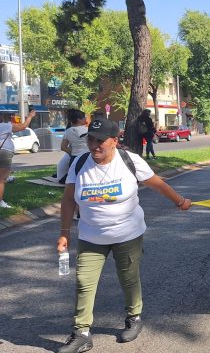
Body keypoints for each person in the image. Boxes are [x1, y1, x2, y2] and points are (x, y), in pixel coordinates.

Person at [56, 118, 192, 353]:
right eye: (90, 139)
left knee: (128, 278)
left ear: (115, 141)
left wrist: (179, 201)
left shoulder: (130, 161)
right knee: (84, 283)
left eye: (100, 141)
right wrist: (64, 233)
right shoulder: (79, 164)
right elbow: (68, 200)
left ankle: (134, 317)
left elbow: (157, 184)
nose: (94, 145)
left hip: (127, 234)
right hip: (91, 236)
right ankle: (81, 333)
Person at [0, 110, 36, 208]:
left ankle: (9, 178)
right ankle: (0, 202)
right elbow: (23, 126)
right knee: (1, 179)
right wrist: (30, 116)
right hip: (4, 152)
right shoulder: (6, 126)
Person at [58, 109, 89, 183]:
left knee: (73, 178)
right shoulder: (87, 130)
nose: (86, 119)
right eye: (84, 117)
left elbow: (63, 147)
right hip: (87, 157)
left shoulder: (67, 131)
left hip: (74, 158)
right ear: (79, 119)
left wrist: (73, 152)